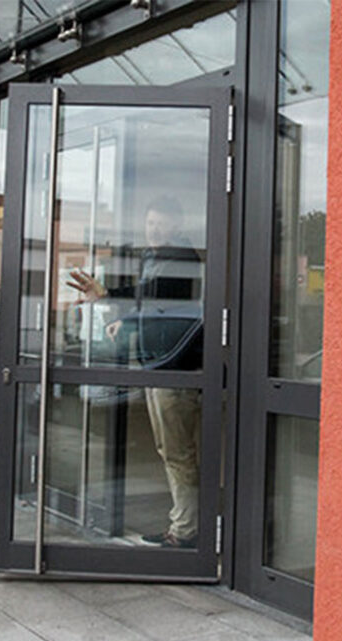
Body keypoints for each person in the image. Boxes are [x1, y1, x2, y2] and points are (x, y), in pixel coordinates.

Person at [66, 196, 203, 548]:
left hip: (175, 369)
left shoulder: (182, 259)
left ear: (176, 225)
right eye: (150, 223)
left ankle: (187, 530)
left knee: (177, 452)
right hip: (157, 365)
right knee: (169, 450)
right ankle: (184, 524)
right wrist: (125, 316)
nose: (154, 229)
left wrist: (114, 300)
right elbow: (150, 303)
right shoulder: (153, 257)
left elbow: (157, 298)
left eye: (161, 223)